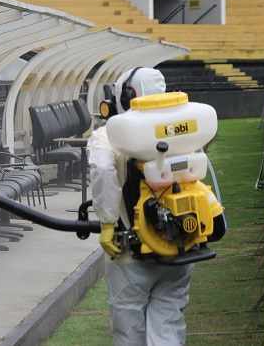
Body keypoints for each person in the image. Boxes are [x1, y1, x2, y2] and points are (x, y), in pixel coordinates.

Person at [87, 67, 195, 345]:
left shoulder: (110, 135)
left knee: (128, 327)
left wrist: (108, 222)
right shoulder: (182, 129)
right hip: (180, 243)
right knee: (168, 324)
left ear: (127, 95)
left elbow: (101, 167)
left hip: (130, 248)